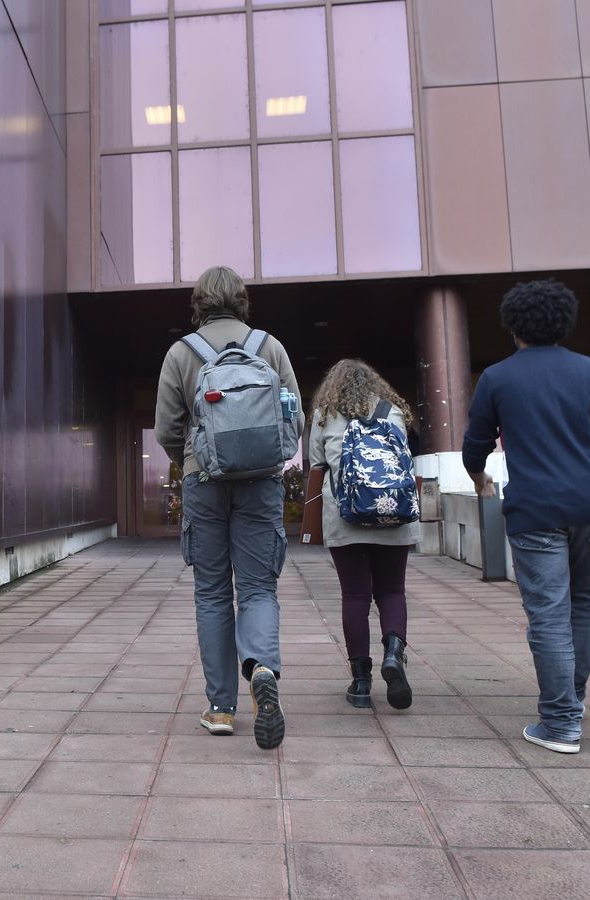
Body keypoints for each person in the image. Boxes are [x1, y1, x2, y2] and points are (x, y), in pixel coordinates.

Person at [462, 279, 590, 755]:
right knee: (581, 607)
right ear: (565, 321)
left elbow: (473, 447)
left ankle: (561, 722)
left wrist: (481, 479)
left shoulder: (498, 378)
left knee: (547, 615)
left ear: (512, 325)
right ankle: (572, 704)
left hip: (535, 508)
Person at [155, 266, 303, 750]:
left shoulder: (181, 353)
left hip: (204, 481)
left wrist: (195, 459)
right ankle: (261, 669)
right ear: (242, 301)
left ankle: (220, 708)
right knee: (258, 588)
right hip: (261, 482)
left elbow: (166, 429)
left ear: (198, 303)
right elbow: (295, 418)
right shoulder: (271, 347)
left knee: (213, 592)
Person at [307, 360, 422, 710]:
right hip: (393, 513)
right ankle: (393, 653)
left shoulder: (325, 414)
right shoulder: (394, 412)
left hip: (347, 516)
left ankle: (360, 681)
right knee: (392, 590)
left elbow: (316, 465)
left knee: (355, 595)